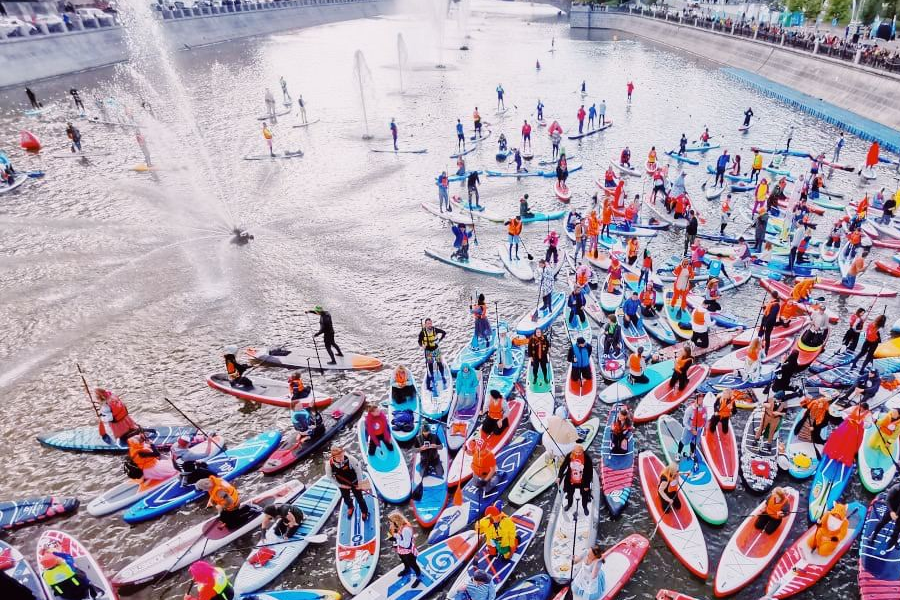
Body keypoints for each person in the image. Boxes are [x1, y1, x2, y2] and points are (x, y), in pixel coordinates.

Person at [38, 548, 104, 600]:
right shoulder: (66, 565)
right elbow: (68, 556)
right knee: (77, 571)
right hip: (81, 591)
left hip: (67, 596)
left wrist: (45, 558)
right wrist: (55, 553)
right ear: (56, 561)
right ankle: (91, 588)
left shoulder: (44, 575)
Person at [326, 445, 369, 520]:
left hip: (354, 482)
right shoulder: (329, 465)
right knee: (346, 498)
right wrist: (340, 485)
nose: (341, 458)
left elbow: (358, 471)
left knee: (360, 498)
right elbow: (330, 477)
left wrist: (360, 483)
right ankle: (351, 507)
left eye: (342, 455)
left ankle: (364, 511)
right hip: (342, 484)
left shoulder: (351, 459)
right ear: (333, 457)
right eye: (338, 457)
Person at [557, 444, 593, 516]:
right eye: (576, 452)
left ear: (582, 451)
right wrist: (559, 477)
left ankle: (585, 507)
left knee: (585, 495)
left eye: (579, 452)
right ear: (573, 451)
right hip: (571, 480)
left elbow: (590, 472)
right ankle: (569, 504)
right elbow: (563, 466)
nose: (577, 454)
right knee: (569, 494)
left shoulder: (587, 458)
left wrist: (587, 485)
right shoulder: (570, 455)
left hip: (583, 481)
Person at [388, 511, 421, 587]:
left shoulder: (406, 529)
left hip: (409, 552)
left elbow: (406, 545)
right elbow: (400, 536)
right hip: (401, 550)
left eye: (390, 522)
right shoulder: (399, 526)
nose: (390, 524)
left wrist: (396, 540)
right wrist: (394, 536)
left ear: (396, 521)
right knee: (404, 561)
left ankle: (418, 577)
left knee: (413, 564)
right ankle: (407, 569)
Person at [869, 482, 900, 554]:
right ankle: (873, 535)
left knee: (897, 529)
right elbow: (887, 500)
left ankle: (893, 541)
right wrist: (891, 512)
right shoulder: (895, 488)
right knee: (881, 522)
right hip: (892, 509)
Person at [418, 318, 447, 391]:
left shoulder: (435, 329)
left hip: (436, 349)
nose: (429, 325)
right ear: (425, 324)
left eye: (430, 323)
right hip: (428, 350)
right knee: (430, 364)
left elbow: (444, 332)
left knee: (439, 363)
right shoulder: (422, 332)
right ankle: (432, 376)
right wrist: (422, 345)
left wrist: (440, 340)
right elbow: (419, 341)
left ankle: (443, 375)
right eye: (428, 323)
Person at [679, 393, 707, 457]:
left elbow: (706, 419)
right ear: (695, 400)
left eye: (702, 400)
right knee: (684, 441)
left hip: (699, 430)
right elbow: (685, 422)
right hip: (690, 429)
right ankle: (678, 453)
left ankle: (691, 453)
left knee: (694, 442)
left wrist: (705, 429)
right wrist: (691, 430)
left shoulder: (704, 408)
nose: (701, 401)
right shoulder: (689, 410)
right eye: (699, 400)